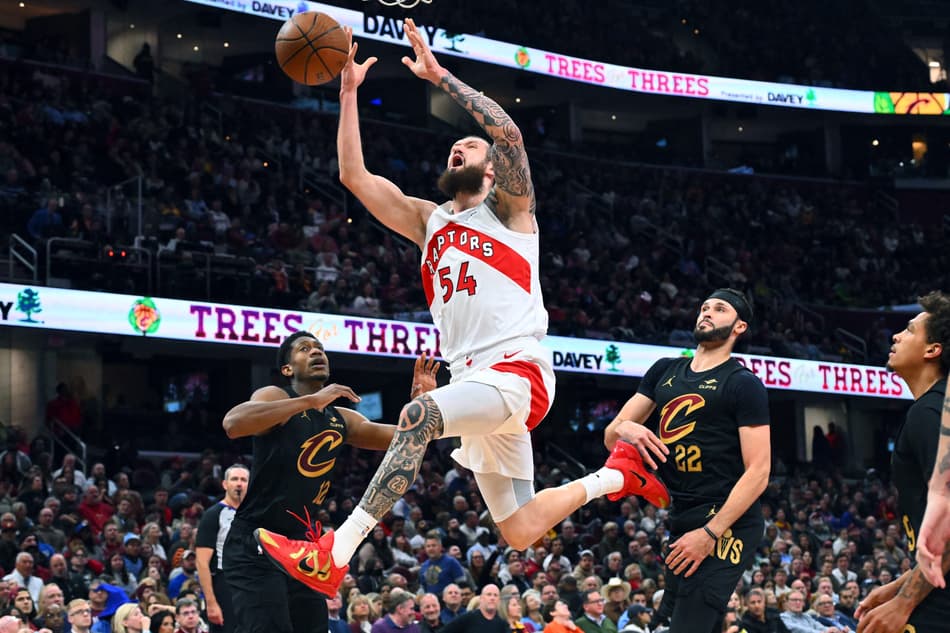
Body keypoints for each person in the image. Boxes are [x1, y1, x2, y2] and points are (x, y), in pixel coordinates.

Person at [255, 18, 666, 599]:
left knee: (417, 417)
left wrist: (440, 75)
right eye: (456, 145)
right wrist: (347, 93)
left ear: (492, 167)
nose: (460, 147)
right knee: (521, 529)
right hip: (473, 378)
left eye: (470, 145)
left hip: (517, 372)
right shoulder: (430, 221)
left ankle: (334, 553)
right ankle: (617, 473)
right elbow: (353, 175)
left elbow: (511, 135)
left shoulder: (512, 211)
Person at [222, 331, 439, 633]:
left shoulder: (341, 418)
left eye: (320, 348)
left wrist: (422, 405)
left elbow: (404, 440)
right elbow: (233, 424)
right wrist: (311, 400)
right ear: (288, 369)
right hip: (256, 541)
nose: (316, 352)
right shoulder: (276, 396)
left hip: (305, 547)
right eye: (304, 349)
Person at [603, 289, 771, 633]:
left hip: (726, 521)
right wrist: (630, 431)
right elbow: (611, 434)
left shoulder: (744, 384)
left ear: (739, 327)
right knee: (677, 622)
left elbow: (759, 471)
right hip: (682, 514)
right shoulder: (665, 370)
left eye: (719, 309)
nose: (706, 312)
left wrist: (710, 533)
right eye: (704, 306)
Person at [853, 291, 950, 632]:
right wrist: (898, 586)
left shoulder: (930, 413)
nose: (896, 335)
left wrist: (904, 602)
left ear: (932, 350)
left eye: (909, 330)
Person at [196, 463, 249, 633]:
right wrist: (211, 603)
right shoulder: (213, 515)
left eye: (243, 480)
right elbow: (202, 563)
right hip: (225, 581)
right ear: (225, 484)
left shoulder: (255, 515)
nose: (239, 483)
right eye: (234, 479)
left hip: (252, 582)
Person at [441, 584, 507, 632]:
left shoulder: (502, 622)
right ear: (481, 598)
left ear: (499, 600)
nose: (492, 598)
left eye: (495, 595)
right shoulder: (468, 618)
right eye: (489, 594)